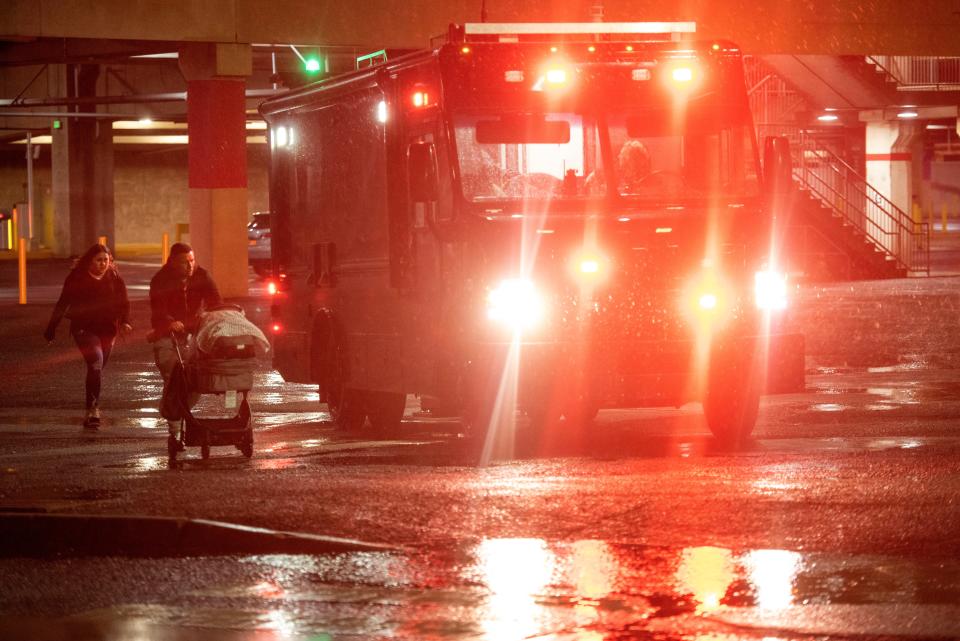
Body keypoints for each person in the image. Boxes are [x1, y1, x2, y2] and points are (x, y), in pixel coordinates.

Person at [43, 243, 132, 429]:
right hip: (83, 329)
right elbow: (63, 303)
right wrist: (51, 328)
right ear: (90, 261)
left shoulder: (114, 277)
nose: (102, 264)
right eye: (99, 260)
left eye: (106, 260)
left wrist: (125, 322)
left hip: (108, 330)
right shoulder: (76, 278)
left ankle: (92, 406)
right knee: (95, 362)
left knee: (96, 369)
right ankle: (92, 411)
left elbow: (124, 303)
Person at [149, 243, 222, 450]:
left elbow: (216, 302)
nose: (190, 266)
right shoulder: (160, 280)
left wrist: (213, 317)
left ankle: (175, 414)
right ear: (173, 262)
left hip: (193, 334)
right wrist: (170, 322)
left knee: (194, 382)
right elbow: (158, 310)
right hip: (167, 336)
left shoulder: (202, 276)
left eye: (192, 260)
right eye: (184, 262)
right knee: (174, 378)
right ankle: (175, 432)